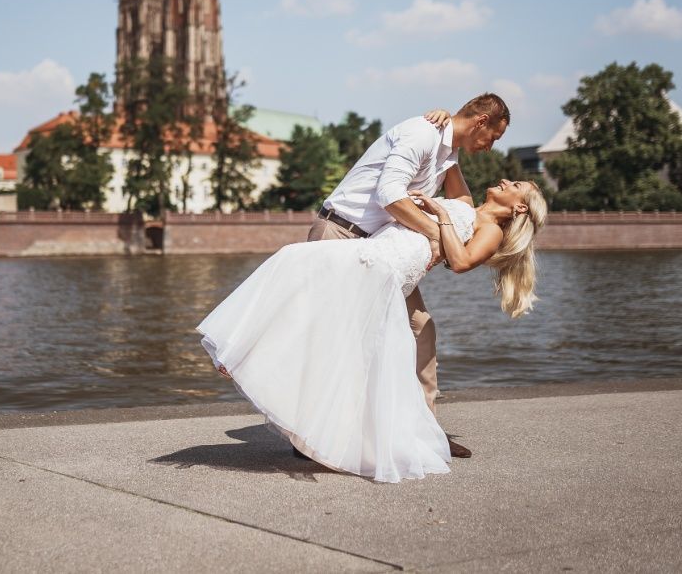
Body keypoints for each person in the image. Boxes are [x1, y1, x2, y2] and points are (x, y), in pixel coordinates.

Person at [198, 178, 547, 482]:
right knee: (300, 279)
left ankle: (251, 356)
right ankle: (251, 355)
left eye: (515, 186)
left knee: (305, 283)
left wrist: (441, 219)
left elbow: (460, 262)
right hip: (369, 252)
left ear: (519, 209)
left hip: (385, 269)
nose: (505, 181)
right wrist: (441, 122)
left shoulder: (491, 229)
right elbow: (451, 150)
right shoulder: (464, 201)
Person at [307, 94, 511, 459]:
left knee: (420, 329)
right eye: (493, 137)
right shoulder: (422, 134)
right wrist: (435, 234)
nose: (491, 148)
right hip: (340, 233)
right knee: (333, 337)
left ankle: (425, 430)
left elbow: (463, 202)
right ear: (481, 121)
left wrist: (451, 128)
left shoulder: (447, 151)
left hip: (383, 251)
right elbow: (390, 197)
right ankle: (308, 435)